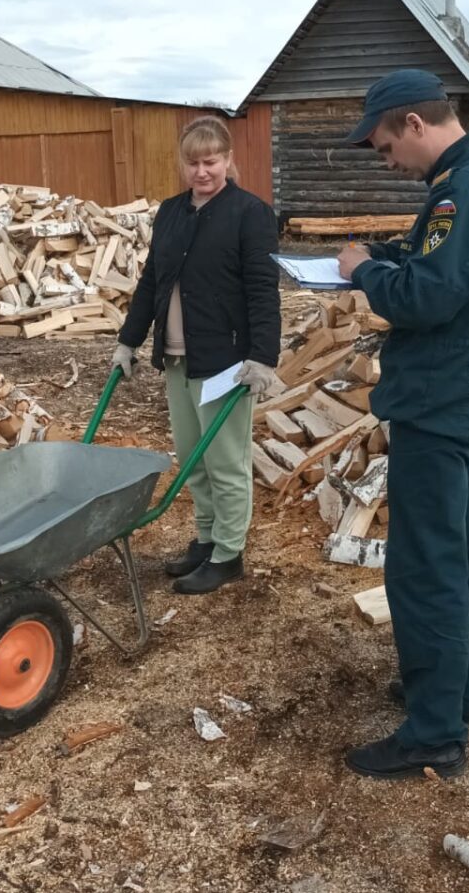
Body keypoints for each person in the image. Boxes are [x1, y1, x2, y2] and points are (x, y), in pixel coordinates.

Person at [334, 69, 469, 780]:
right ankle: (457, 692)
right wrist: (384, 255)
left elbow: (429, 294)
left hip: (439, 399)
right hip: (461, 393)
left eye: (386, 147)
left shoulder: (460, 190)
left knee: (425, 566)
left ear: (414, 124)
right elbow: (440, 265)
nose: (388, 162)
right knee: (462, 554)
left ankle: (434, 731)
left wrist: (362, 274)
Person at [112, 116, 282, 595]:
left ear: (228, 160)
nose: (202, 171)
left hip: (226, 361)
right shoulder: (171, 212)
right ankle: (206, 538)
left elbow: (263, 291)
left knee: (225, 460)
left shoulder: (250, 213)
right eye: (193, 162)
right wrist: (129, 340)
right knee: (192, 457)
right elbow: (151, 283)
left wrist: (263, 357)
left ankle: (228, 552)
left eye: (211, 161)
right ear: (182, 164)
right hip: (177, 356)